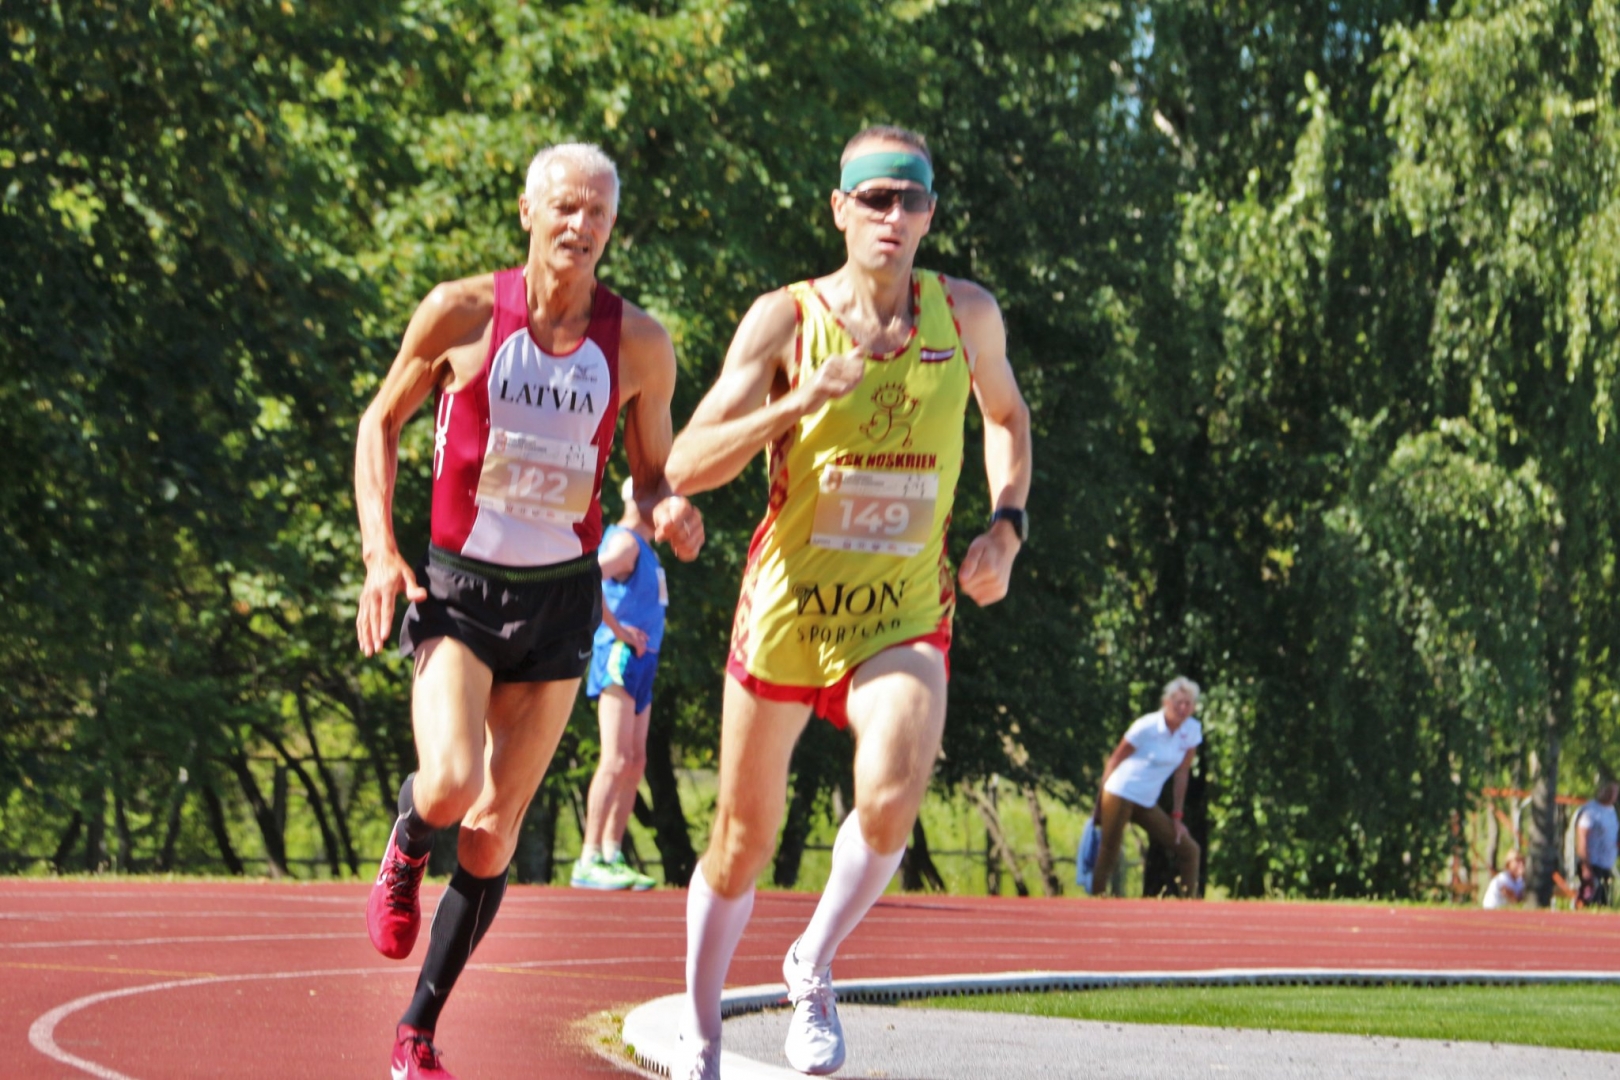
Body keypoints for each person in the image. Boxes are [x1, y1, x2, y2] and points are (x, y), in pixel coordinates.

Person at [663, 125, 1032, 1079]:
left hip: (903, 608)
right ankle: (702, 1035)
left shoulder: (967, 315)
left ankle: (812, 962)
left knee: (892, 794)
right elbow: (686, 463)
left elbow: (1006, 416)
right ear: (839, 209)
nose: (892, 216)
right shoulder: (785, 320)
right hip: (790, 607)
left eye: (910, 200)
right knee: (742, 839)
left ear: (930, 215)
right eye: (874, 198)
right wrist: (799, 401)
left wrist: (1005, 526)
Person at [352, 142, 704, 1080]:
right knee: (449, 782)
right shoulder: (463, 312)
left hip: (560, 602)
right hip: (459, 590)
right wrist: (381, 552)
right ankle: (406, 839)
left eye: (597, 213)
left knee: (494, 831)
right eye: (565, 207)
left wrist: (669, 508)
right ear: (528, 211)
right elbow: (380, 420)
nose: (580, 225)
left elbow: (650, 475)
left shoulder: (639, 343)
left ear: (612, 228)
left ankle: (417, 1032)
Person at [571, 478, 668, 891]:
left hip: (644, 661)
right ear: (644, 502)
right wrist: (618, 629)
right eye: (665, 501)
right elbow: (588, 573)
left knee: (635, 760)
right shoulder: (626, 542)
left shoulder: (644, 547)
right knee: (615, 758)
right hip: (620, 655)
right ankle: (588, 857)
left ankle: (612, 853)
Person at [1090, 677, 1203, 899]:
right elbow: (1114, 761)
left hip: (1146, 801)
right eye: (1178, 702)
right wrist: (1098, 804)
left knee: (1190, 849)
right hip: (1120, 792)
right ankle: (1097, 899)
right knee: (1110, 848)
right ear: (1166, 702)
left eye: (1188, 703)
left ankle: (1190, 903)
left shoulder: (1192, 730)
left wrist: (1177, 816)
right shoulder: (1146, 726)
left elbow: (1182, 772)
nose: (1182, 708)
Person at [1575, 779, 1618, 907]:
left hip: (1606, 865)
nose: (1611, 795)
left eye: (1615, 792)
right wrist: (1586, 867)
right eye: (1608, 791)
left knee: (1604, 903)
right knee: (1590, 902)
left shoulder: (1611, 811)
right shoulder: (1590, 811)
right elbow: (1582, 838)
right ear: (1600, 790)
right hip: (1592, 864)